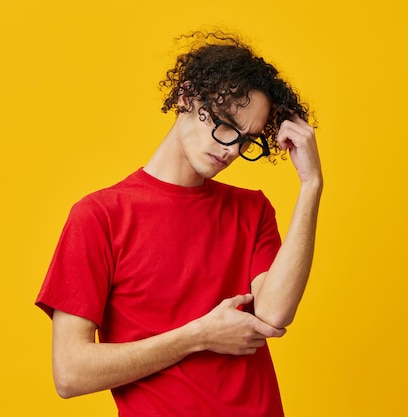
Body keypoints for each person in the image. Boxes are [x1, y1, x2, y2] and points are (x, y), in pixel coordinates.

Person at [35, 31, 322, 417]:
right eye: (224, 125)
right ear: (187, 96)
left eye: (247, 141)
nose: (231, 149)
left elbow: (274, 314)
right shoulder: (99, 216)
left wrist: (310, 186)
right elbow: (70, 373)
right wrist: (198, 336)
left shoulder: (251, 209)